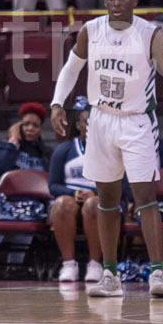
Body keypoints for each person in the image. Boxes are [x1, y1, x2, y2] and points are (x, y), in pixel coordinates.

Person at [51, 0, 163, 299]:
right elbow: (72, 69)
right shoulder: (90, 31)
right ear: (105, 1)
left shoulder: (150, 34)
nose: (117, 3)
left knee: (146, 197)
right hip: (100, 119)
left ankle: (158, 271)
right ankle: (110, 274)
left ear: (134, 1)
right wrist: (57, 103)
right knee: (107, 201)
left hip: (137, 122)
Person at [47, 96, 103, 283]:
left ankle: (95, 264)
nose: (91, 126)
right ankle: (68, 264)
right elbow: (53, 185)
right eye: (87, 122)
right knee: (62, 203)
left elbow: (124, 185)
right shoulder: (64, 149)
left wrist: (96, 194)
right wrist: (73, 193)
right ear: (78, 125)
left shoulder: (110, 150)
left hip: (100, 200)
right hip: (71, 198)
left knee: (94, 204)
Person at [0, 102, 50, 177]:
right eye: (26, 124)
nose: (30, 128)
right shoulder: (2, 147)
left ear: (40, 130)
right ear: (18, 126)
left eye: (36, 125)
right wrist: (13, 141)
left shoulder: (47, 154)